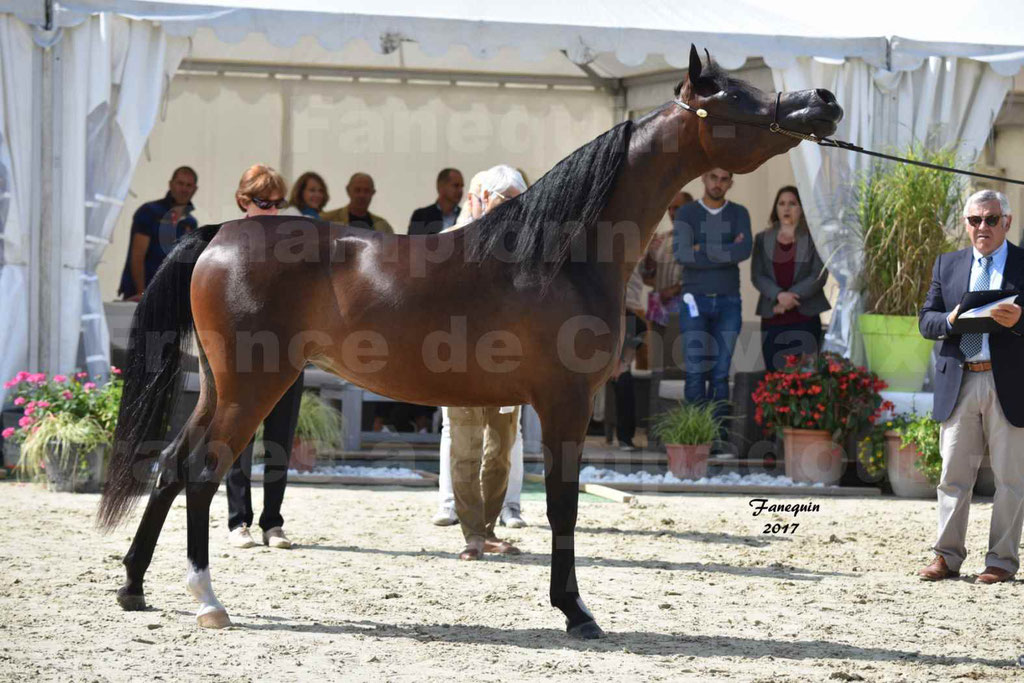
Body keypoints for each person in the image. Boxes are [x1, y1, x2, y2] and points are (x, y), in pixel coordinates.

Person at [917, 189, 1024, 584]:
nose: (983, 227)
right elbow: (926, 321)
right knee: (952, 477)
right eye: (975, 220)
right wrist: (951, 319)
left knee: (1011, 479)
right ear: (966, 224)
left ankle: (1001, 561)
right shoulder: (948, 264)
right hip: (959, 381)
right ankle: (946, 557)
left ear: (1007, 222)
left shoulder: (1023, 263)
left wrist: (1019, 321)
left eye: (991, 219)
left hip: (1009, 383)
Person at [434, 164, 530, 559]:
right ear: (482, 199)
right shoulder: (448, 241)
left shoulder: (527, 247)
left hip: (508, 361)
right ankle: (472, 533)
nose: (514, 208)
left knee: (501, 448)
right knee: (465, 445)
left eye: (518, 201)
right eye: (506, 199)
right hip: (459, 359)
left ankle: (488, 527)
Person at [225, 164, 303, 551]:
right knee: (238, 437)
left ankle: (273, 522)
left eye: (278, 204)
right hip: (243, 352)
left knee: (280, 439)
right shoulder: (229, 242)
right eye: (263, 203)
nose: (272, 211)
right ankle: (238, 520)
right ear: (244, 201)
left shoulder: (292, 241)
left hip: (286, 351)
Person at [673, 169, 751, 418]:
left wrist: (701, 248)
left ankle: (718, 441)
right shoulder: (686, 213)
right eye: (713, 177)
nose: (718, 183)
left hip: (729, 302)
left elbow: (744, 250)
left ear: (731, 183)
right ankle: (696, 439)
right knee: (695, 371)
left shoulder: (739, 213)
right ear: (703, 178)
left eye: (724, 179)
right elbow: (683, 255)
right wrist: (726, 250)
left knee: (719, 374)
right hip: (694, 299)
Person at [750, 186, 830, 371]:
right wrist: (779, 295)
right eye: (782, 203)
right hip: (773, 316)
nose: (786, 208)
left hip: (806, 316)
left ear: (801, 208)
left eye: (792, 204)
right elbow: (757, 275)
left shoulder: (813, 238)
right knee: (774, 375)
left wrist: (790, 297)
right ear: (775, 208)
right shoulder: (762, 239)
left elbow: (819, 274)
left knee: (807, 376)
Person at [118, 166, 198, 301]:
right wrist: (142, 293)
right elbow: (137, 256)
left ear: (195, 189)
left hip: (170, 299)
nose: (184, 189)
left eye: (189, 185)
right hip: (141, 295)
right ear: (171, 184)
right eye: (180, 183)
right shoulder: (149, 211)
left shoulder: (190, 223)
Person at [321, 172, 394, 233]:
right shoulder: (327, 221)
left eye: (366, 191)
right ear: (348, 190)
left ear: (373, 193)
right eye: (357, 190)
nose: (362, 195)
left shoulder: (383, 227)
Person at [408, 168, 463, 235]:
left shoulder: (466, 217)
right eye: (456, 185)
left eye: (462, 186)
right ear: (441, 186)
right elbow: (412, 244)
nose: (460, 190)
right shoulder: (421, 216)